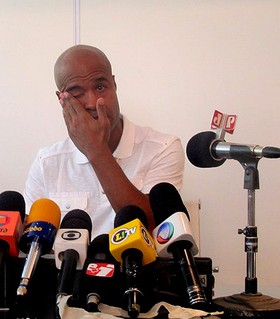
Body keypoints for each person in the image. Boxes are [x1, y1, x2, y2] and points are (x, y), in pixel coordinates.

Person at [23, 44, 184, 236]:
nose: (93, 102)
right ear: (61, 99)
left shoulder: (163, 148)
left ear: (114, 84)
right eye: (77, 93)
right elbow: (32, 245)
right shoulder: (47, 161)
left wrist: (96, 151)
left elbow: (155, 231)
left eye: (100, 87)